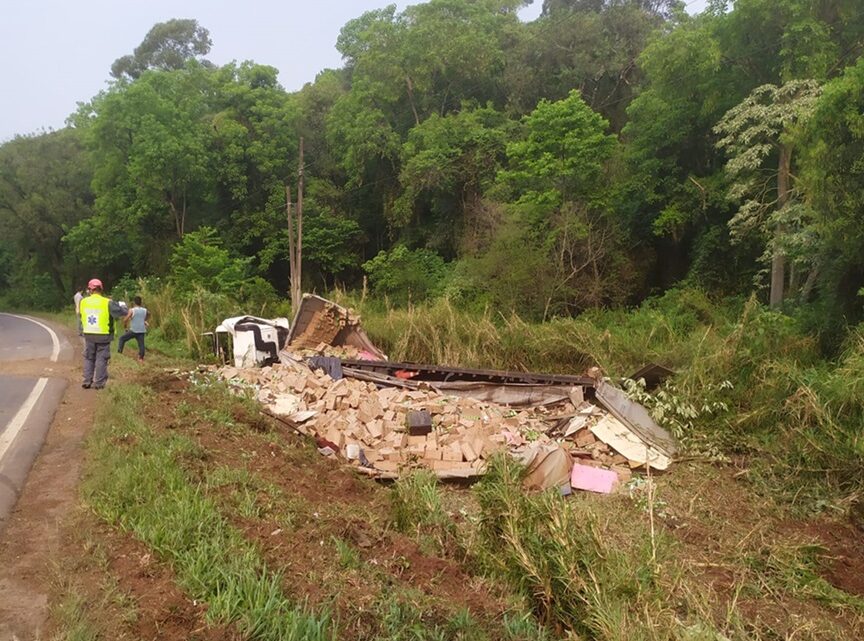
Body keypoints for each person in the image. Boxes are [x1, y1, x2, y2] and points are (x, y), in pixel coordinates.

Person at [80, 278, 126, 389]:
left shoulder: (83, 302)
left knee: (89, 357)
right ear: (101, 289)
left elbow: (80, 315)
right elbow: (122, 313)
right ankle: (99, 383)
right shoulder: (107, 302)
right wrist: (123, 306)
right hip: (103, 335)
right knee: (101, 358)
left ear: (90, 290)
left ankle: (87, 381)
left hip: (89, 334)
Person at [118, 296, 148, 361]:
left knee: (122, 339)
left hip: (134, 330)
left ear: (134, 302)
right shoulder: (145, 310)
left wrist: (125, 327)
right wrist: (145, 321)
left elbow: (125, 319)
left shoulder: (132, 310)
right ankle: (141, 358)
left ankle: (119, 353)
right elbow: (149, 314)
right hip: (141, 330)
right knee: (141, 345)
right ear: (141, 302)